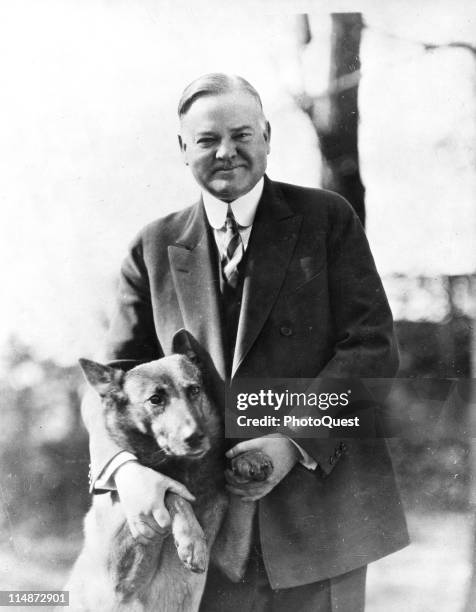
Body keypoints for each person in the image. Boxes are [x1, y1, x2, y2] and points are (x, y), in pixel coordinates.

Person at [81, 73, 409, 611]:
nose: (226, 152)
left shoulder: (327, 219)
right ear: (183, 149)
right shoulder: (154, 245)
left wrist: (292, 442)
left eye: (242, 135)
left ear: (267, 136)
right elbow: (111, 385)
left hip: (320, 518)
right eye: (207, 140)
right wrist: (125, 471)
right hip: (203, 530)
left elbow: (372, 350)